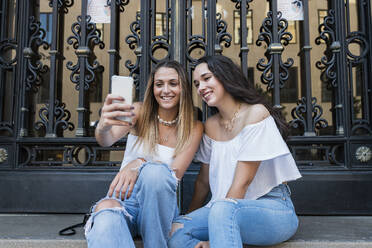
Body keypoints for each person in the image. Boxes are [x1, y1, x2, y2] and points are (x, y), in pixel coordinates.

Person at [168, 55, 302, 248]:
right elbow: (203, 182)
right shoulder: (211, 126)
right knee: (177, 228)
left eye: (207, 78)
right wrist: (190, 219)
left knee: (223, 208)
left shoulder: (255, 114)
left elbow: (243, 182)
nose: (201, 88)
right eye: (197, 84)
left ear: (225, 76)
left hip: (272, 209)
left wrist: (213, 240)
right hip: (221, 211)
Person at [85, 60, 203, 248]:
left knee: (155, 173)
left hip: (159, 208)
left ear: (183, 88)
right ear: (152, 88)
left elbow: (174, 174)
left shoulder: (193, 127)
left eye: (173, 83)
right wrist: (103, 126)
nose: (165, 90)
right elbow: (106, 140)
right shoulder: (140, 111)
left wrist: (139, 163)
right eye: (159, 84)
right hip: (125, 199)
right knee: (105, 211)